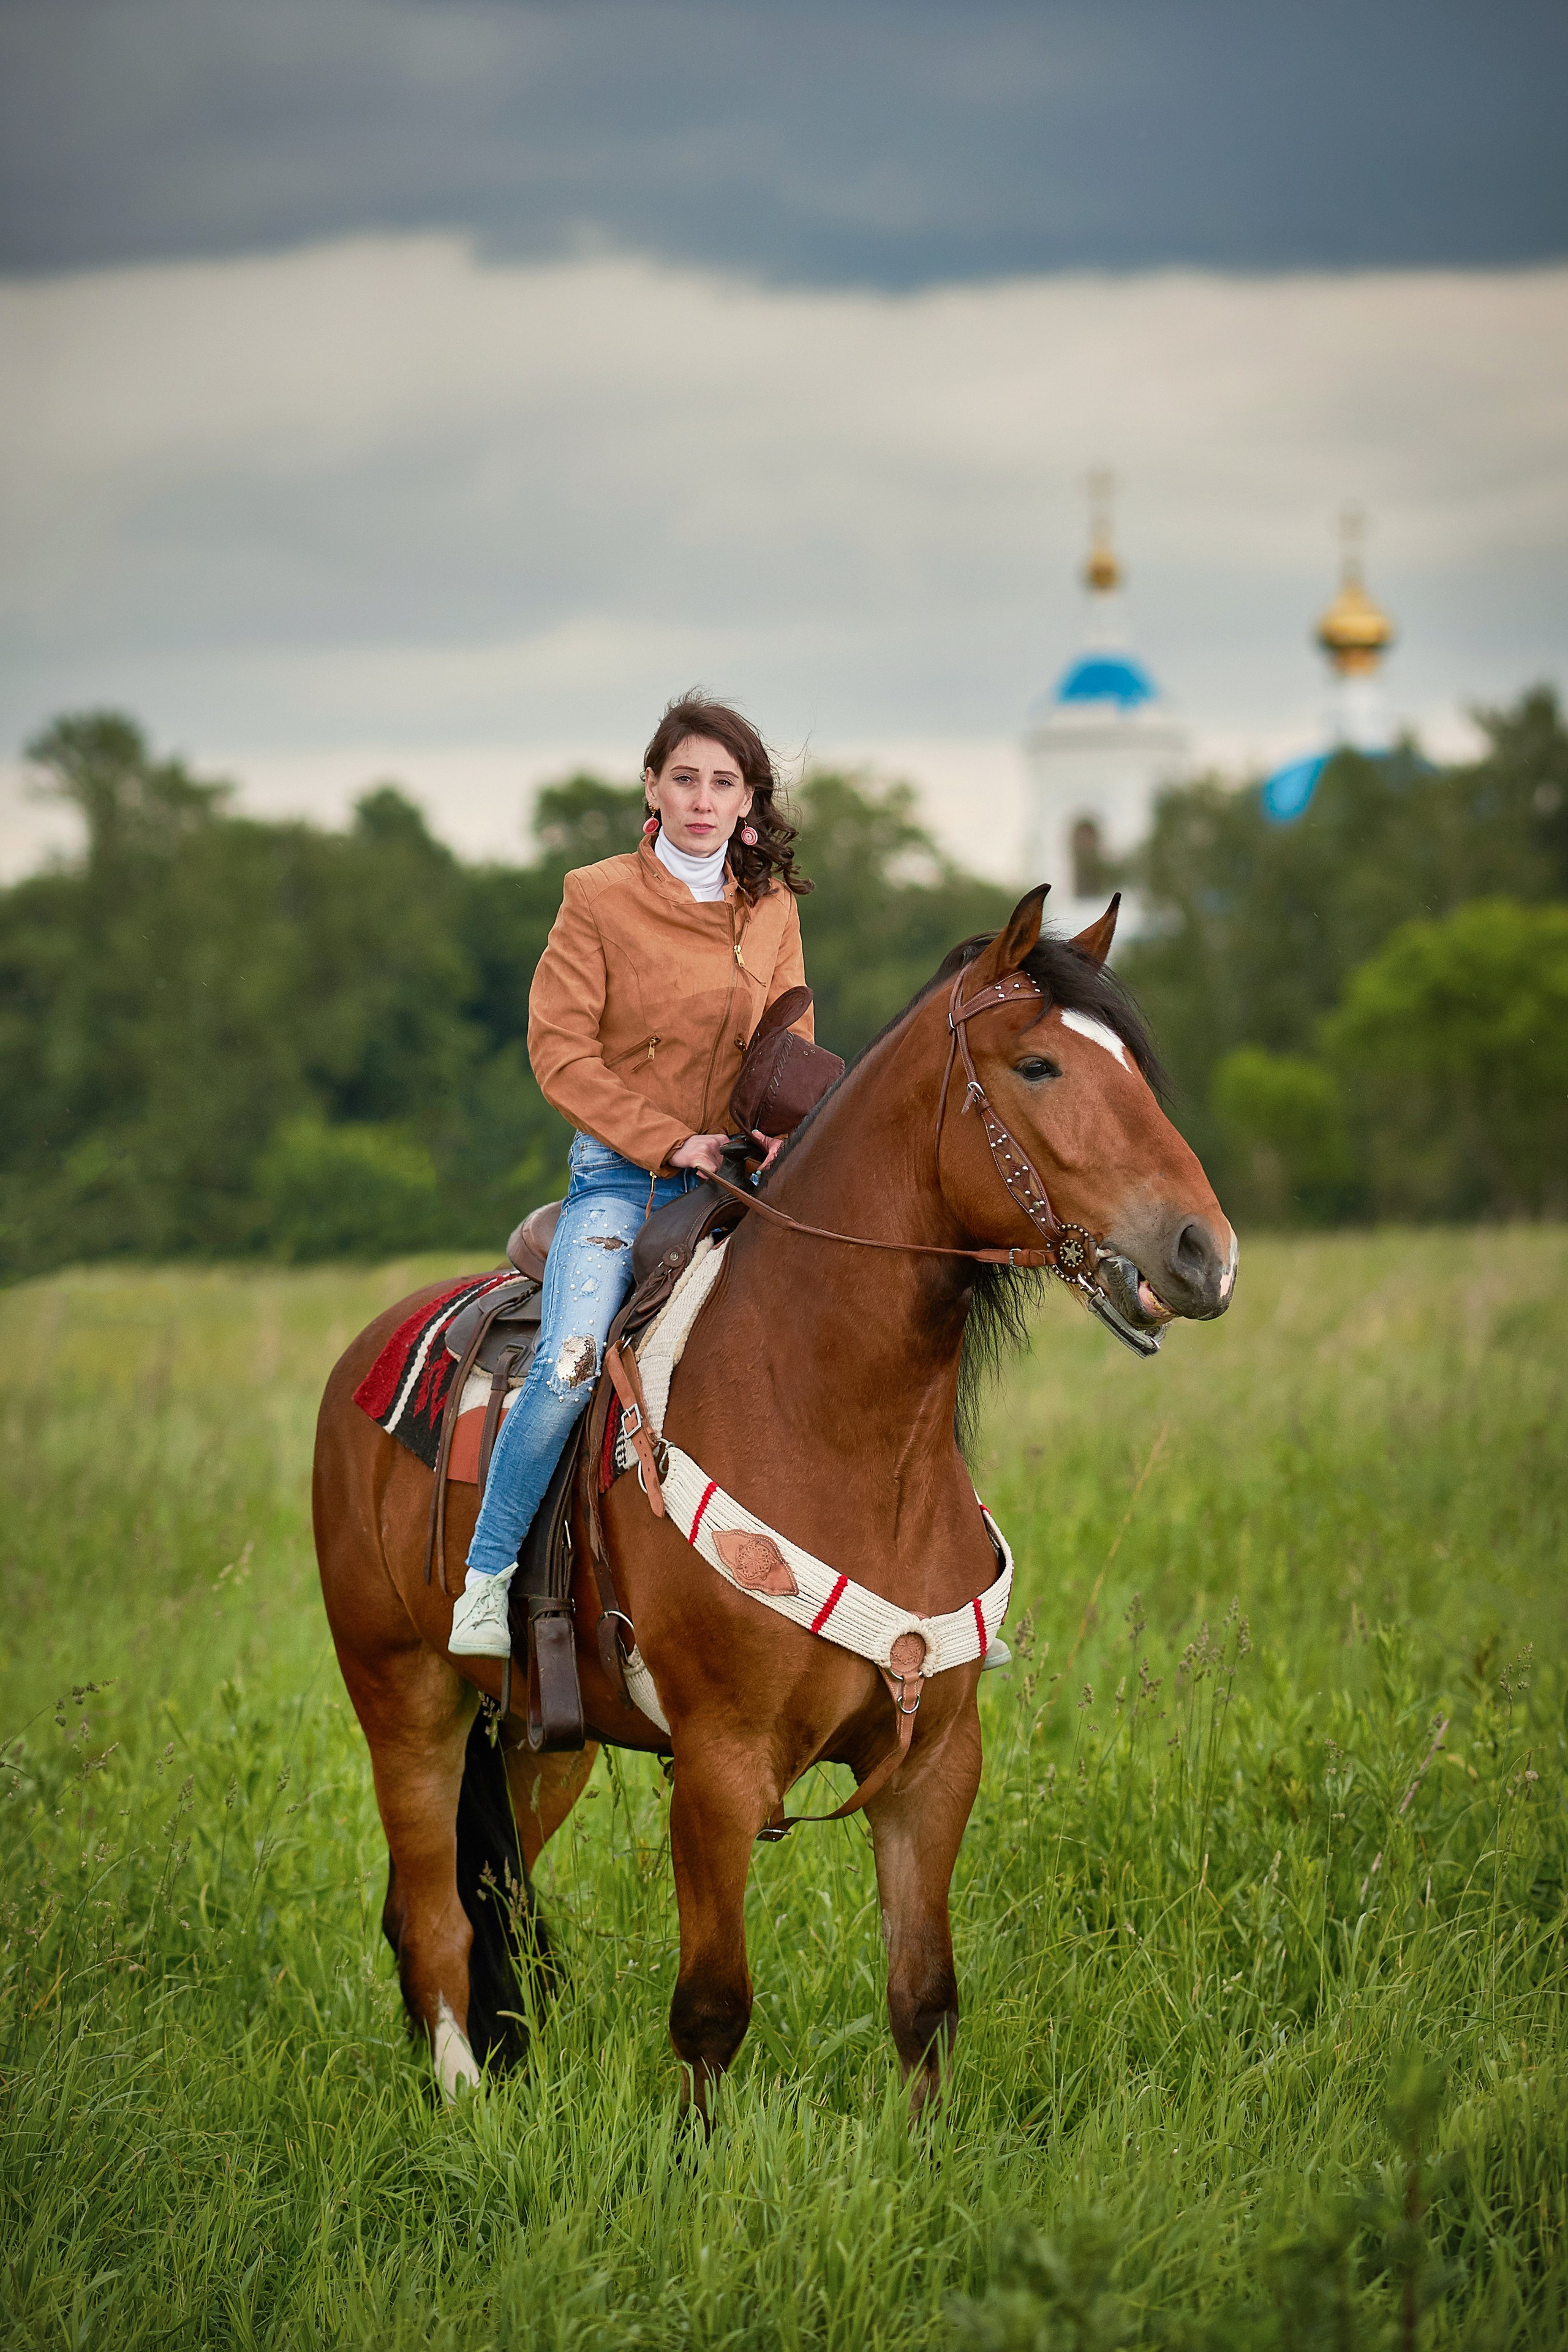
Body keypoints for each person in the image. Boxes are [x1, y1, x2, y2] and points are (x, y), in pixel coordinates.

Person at [449, 693, 815, 1658]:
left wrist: (781, 1129)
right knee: (570, 1369)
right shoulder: (596, 895)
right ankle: (486, 1579)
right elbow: (561, 1055)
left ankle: (924, 1590)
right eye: (685, 778)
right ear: (652, 785)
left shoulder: (769, 907)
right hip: (624, 1180)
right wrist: (670, 1142)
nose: (702, 800)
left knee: (867, 1325)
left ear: (748, 801)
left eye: (723, 783)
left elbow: (788, 1033)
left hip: (741, 1178)